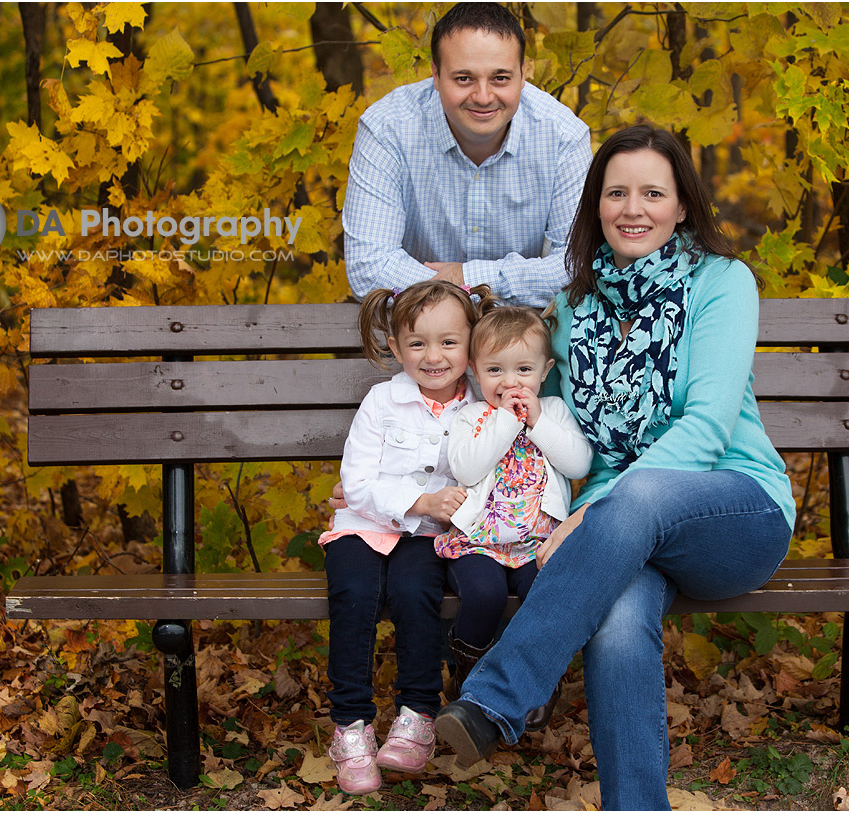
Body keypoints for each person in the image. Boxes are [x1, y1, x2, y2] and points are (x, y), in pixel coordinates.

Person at [432, 124, 797, 810]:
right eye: (617, 192)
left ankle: (498, 697)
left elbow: (709, 426)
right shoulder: (573, 307)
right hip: (624, 530)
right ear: (596, 205)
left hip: (735, 509)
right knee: (619, 620)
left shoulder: (722, 283)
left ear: (682, 205)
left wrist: (596, 511)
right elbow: (568, 439)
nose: (634, 208)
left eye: (653, 192)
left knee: (641, 494)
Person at [318, 279, 490, 794]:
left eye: (448, 342)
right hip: (364, 526)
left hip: (427, 535)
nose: (433, 356)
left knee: (417, 594)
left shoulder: (482, 407)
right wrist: (417, 501)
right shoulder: (382, 401)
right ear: (395, 348)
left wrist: (433, 511)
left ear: (472, 342)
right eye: (417, 343)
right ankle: (350, 725)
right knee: (354, 595)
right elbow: (357, 483)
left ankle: (417, 715)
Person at [342, 2, 591, 307]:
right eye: (464, 79)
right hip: (418, 337)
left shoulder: (563, 136)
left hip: (518, 338)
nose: (484, 97)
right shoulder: (387, 129)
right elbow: (368, 269)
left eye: (500, 78)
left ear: (525, 73)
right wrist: (480, 290)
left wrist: (465, 276)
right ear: (435, 74)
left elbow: (576, 266)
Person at [434, 304, 593, 729]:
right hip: (480, 542)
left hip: (537, 543)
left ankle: (539, 678)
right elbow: (467, 469)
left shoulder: (555, 411)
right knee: (483, 596)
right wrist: (505, 420)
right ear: (475, 372)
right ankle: (468, 673)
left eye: (523, 369)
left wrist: (537, 419)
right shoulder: (472, 416)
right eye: (495, 371)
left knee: (546, 595)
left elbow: (577, 464)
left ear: (545, 371)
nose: (510, 382)